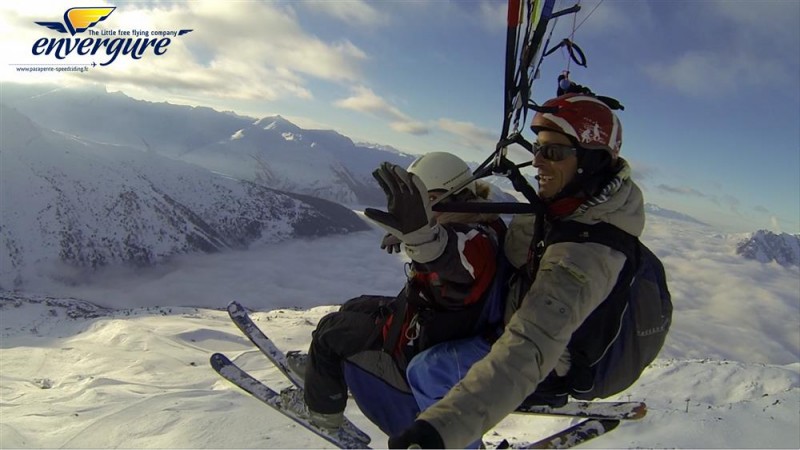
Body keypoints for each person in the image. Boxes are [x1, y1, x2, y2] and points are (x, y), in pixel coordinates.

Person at [386, 92, 646, 449]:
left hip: (551, 361)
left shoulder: (584, 253)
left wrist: (438, 432)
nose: (538, 162)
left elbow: (530, 347)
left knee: (429, 370)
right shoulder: (571, 203)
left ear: (590, 160)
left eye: (553, 152)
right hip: (510, 315)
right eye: (537, 148)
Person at [287, 151, 506, 435]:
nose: (417, 208)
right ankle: (325, 372)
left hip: (410, 351)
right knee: (355, 306)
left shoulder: (473, 242)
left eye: (424, 200)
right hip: (433, 320)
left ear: (451, 196)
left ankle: (321, 412)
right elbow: (443, 240)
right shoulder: (481, 219)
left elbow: (456, 256)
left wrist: (422, 240)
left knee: (329, 332)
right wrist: (411, 234)